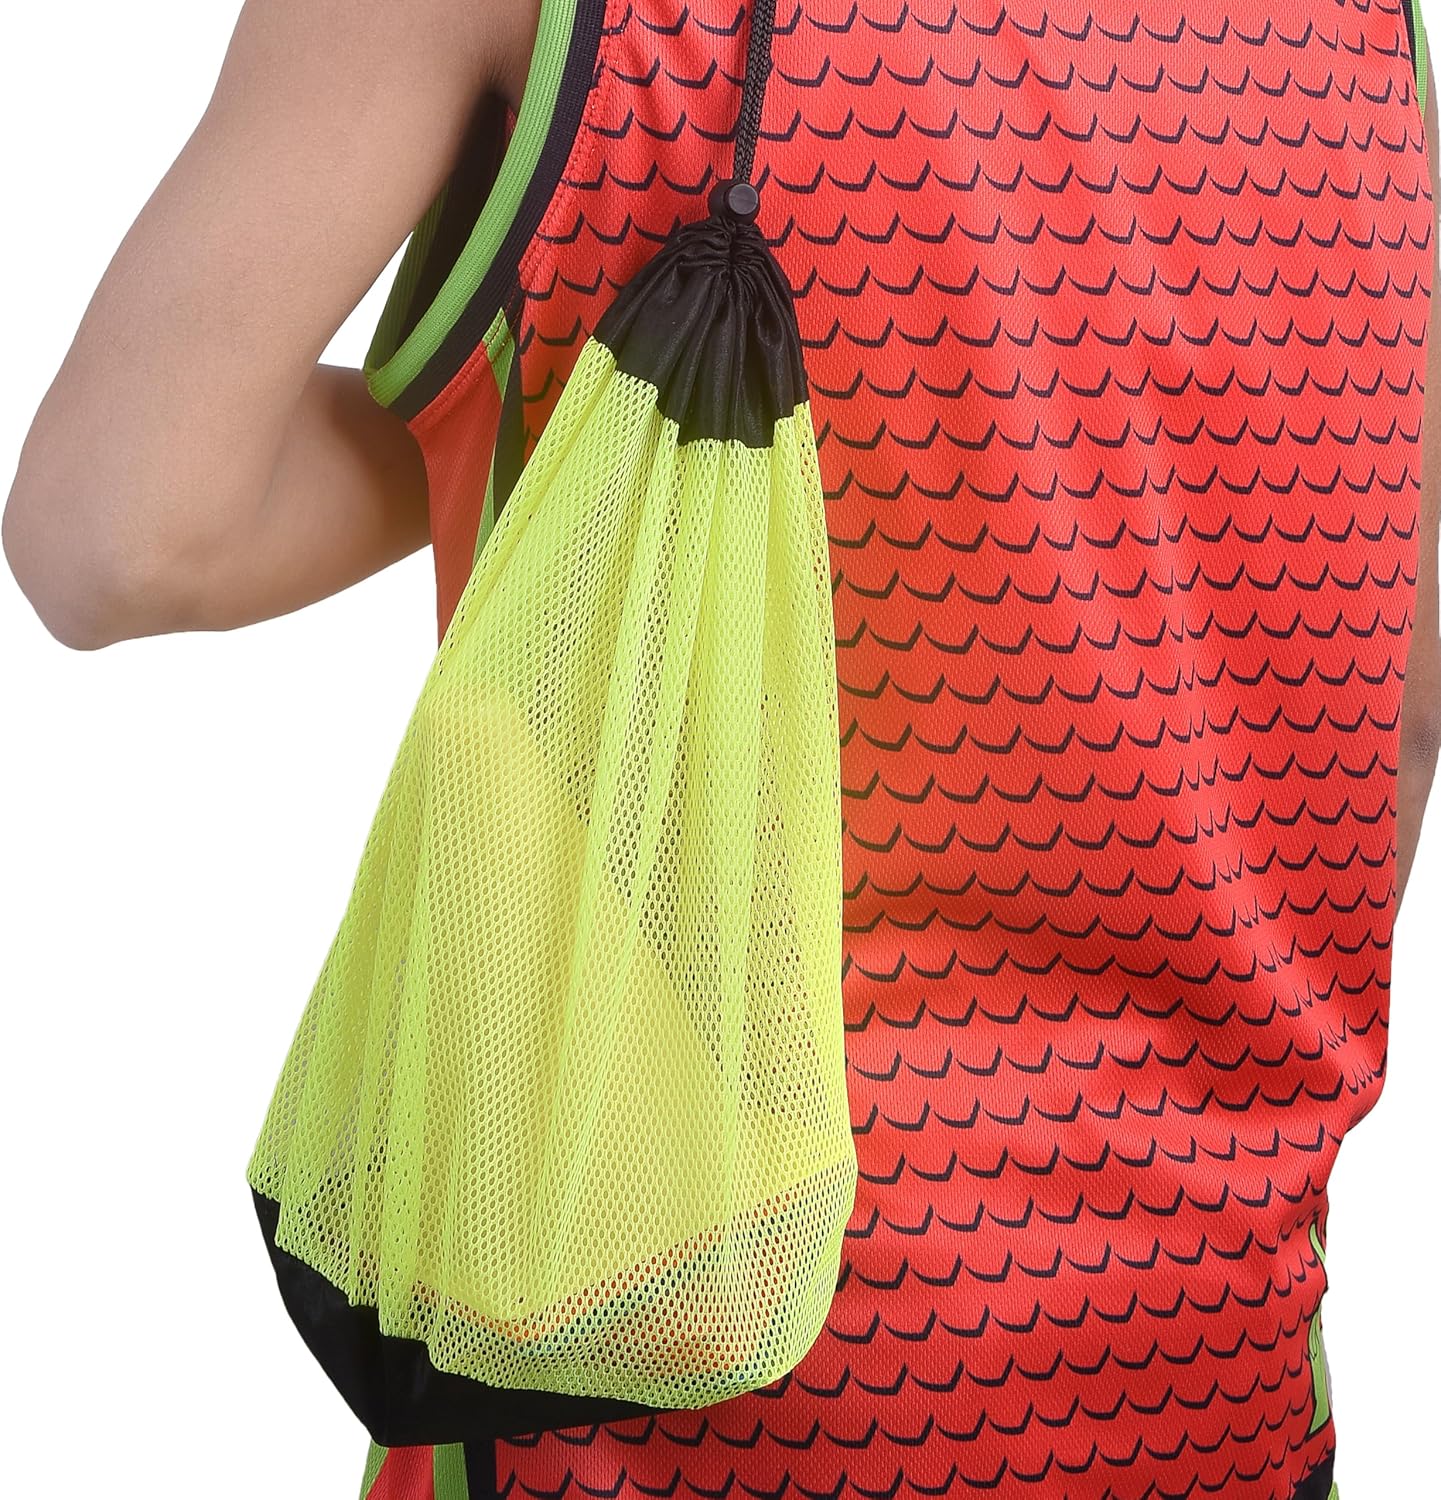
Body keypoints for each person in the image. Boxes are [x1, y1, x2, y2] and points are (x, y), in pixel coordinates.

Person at [5, 0, 1439, 1496]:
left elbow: (120, 533)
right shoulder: (1363, 31)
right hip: (1211, 1371)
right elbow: (1398, 722)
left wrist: (565, 395)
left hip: (645, 1354)